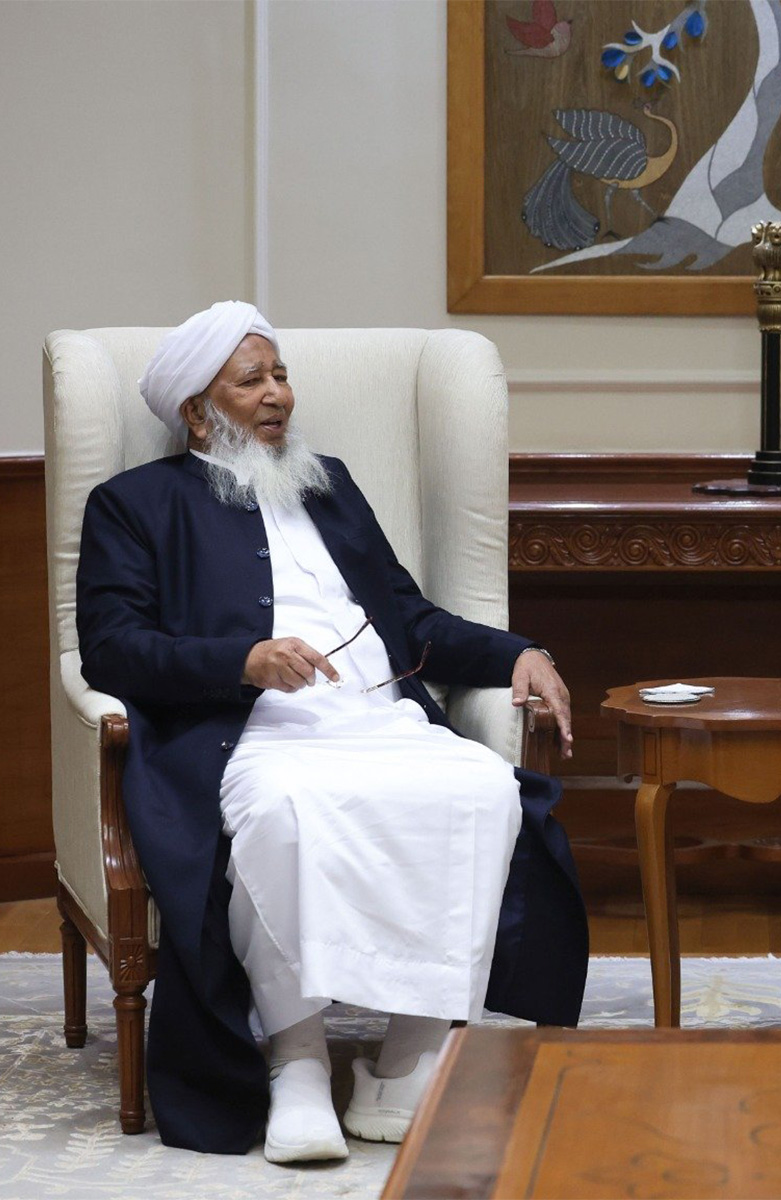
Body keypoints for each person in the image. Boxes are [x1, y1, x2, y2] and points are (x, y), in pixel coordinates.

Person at [75, 302, 589, 1162]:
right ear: (199, 411)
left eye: (280, 375)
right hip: (251, 735)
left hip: (371, 716)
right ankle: (299, 1061)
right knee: (284, 812)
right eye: (253, 381)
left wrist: (517, 653)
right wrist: (240, 660)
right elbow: (113, 648)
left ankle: (406, 1060)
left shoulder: (329, 484)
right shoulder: (134, 504)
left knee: (479, 789)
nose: (279, 394)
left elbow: (409, 618)